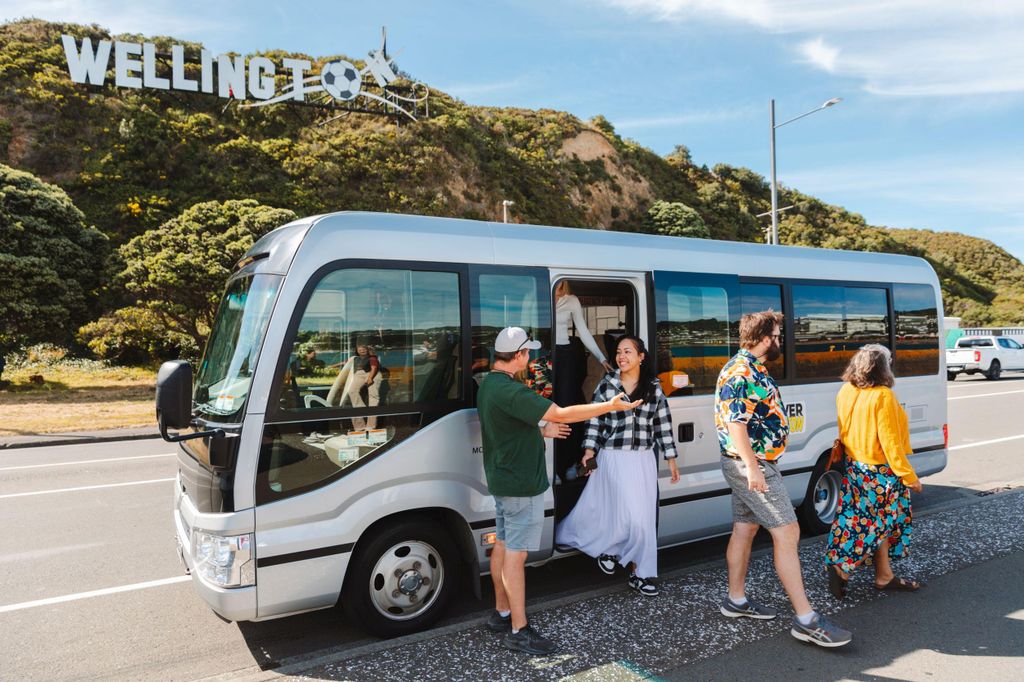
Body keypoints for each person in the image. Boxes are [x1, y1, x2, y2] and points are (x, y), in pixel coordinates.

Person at [477, 326, 642, 656]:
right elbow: (563, 412)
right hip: (522, 483)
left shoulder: (489, 385)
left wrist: (540, 432)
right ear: (519, 355)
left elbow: (506, 428)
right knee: (516, 555)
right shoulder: (512, 391)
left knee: (503, 546)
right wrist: (609, 406)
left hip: (503, 479)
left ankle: (502, 613)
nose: (530, 358)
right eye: (528, 353)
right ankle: (519, 630)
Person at [714, 311, 852, 648]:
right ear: (763, 338)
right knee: (788, 531)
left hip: (751, 463)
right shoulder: (741, 372)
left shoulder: (751, 367)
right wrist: (753, 468)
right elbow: (736, 424)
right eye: (776, 336)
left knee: (744, 529)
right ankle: (806, 620)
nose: (780, 341)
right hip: (752, 465)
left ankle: (736, 600)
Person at [555, 335, 680, 596]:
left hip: (643, 458)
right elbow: (594, 421)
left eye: (628, 351)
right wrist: (588, 451)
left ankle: (640, 574)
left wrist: (671, 458)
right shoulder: (607, 385)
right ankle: (609, 549)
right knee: (623, 514)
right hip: (612, 457)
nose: (621, 357)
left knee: (642, 520)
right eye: (619, 352)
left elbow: (662, 425)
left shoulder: (654, 387)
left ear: (641, 357)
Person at [826, 344, 923, 598]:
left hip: (855, 465)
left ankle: (884, 575)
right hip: (880, 472)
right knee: (879, 522)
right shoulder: (883, 396)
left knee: (863, 520)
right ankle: (842, 568)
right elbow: (890, 442)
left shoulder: (846, 390)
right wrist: (908, 476)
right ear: (882, 368)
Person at [553, 280, 613, 479]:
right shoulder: (535, 296)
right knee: (545, 408)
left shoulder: (571, 300)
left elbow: (583, 331)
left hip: (563, 355)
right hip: (543, 354)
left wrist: (601, 358)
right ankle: (551, 465)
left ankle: (567, 464)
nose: (559, 288)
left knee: (566, 408)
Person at [348, 338, 382, 430]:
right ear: (356, 350)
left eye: (364, 348)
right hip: (359, 374)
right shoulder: (355, 358)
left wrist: (370, 378)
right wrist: (331, 366)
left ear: (367, 349)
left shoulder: (372, 357)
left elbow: (374, 367)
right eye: (359, 348)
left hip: (372, 374)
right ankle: (360, 423)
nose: (362, 350)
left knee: (373, 398)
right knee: (352, 391)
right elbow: (345, 363)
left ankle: (371, 426)